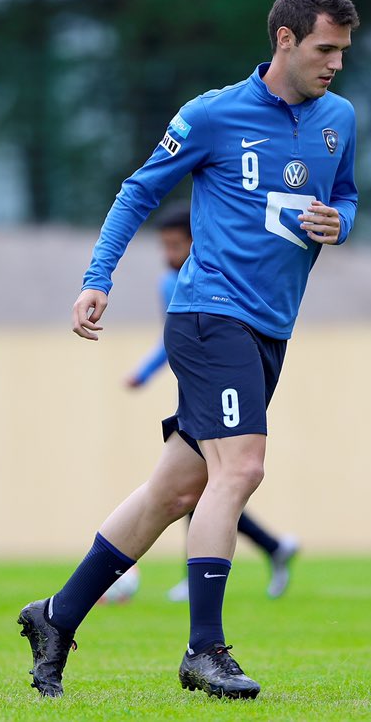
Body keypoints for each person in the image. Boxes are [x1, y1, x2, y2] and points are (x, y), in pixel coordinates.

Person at [17, 0, 360, 700]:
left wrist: (342, 223)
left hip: (272, 327)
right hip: (210, 315)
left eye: (344, 52)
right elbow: (139, 189)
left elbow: (347, 193)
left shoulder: (339, 119)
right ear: (285, 40)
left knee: (178, 488)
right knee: (242, 468)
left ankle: (57, 615)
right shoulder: (213, 115)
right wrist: (97, 276)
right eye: (325, 49)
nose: (336, 64)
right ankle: (204, 650)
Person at [124, 204, 299, 603]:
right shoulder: (172, 282)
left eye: (176, 244)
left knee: (210, 481)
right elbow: (170, 337)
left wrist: (144, 371)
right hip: (197, 379)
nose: (169, 254)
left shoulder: (217, 277)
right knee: (202, 482)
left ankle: (208, 571)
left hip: (212, 380)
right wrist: (148, 371)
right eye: (164, 246)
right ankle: (269, 548)